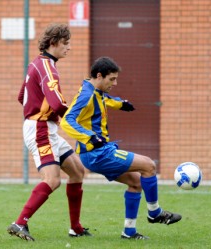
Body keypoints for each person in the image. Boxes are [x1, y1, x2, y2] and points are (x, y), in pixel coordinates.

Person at [60, 56, 182, 240]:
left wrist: (120, 104)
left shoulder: (93, 90)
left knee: (136, 183)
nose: (115, 83)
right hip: (97, 153)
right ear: (99, 76)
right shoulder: (87, 94)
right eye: (112, 79)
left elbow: (103, 99)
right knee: (149, 166)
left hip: (95, 153)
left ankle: (129, 232)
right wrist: (90, 137)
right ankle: (155, 213)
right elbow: (67, 120)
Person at [7, 23, 91, 241]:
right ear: (54, 43)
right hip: (40, 128)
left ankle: (76, 228)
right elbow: (56, 102)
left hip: (44, 126)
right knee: (53, 180)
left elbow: (21, 96)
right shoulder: (47, 67)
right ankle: (19, 223)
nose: (69, 48)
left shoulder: (37, 63)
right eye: (66, 43)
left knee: (77, 171)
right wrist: (75, 118)